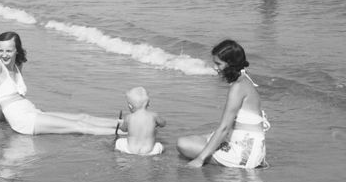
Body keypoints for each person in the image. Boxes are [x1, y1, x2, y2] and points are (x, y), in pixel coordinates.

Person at [0, 32, 122, 136]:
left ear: (16, 50)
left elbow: (8, 96)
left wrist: (1, 121)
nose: (4, 55)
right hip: (24, 121)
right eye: (1, 50)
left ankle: (123, 124)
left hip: (31, 111)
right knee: (80, 127)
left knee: (83, 117)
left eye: (9, 51)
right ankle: (125, 134)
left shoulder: (18, 66)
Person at [176, 40, 270, 169]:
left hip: (244, 152)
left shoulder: (237, 87)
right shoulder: (244, 79)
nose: (215, 67)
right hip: (250, 144)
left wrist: (200, 159)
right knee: (198, 138)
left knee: (183, 144)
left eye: (218, 64)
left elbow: (224, 127)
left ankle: (229, 163)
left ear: (230, 64)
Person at [114, 87, 166, 156]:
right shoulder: (154, 116)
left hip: (131, 150)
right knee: (160, 146)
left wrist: (121, 123)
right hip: (149, 151)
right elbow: (163, 123)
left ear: (130, 106)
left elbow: (124, 129)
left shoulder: (129, 117)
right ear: (148, 104)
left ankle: (118, 155)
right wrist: (157, 124)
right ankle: (158, 157)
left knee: (119, 142)